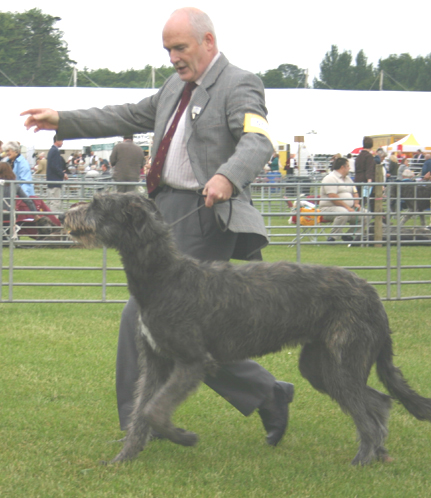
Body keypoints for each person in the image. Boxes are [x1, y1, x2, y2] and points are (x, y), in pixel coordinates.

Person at [22, 7, 293, 446]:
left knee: (146, 318)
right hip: (162, 210)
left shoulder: (240, 83)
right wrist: (64, 120)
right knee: (180, 329)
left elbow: (257, 138)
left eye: (180, 48)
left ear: (208, 41)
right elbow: (127, 114)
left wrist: (227, 175)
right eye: (168, 50)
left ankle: (140, 424)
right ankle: (268, 393)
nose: (172, 58)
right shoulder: (174, 86)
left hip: (204, 215)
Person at [319, 157, 361, 241]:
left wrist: (356, 203)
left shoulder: (348, 179)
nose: (349, 168)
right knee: (343, 213)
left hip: (349, 208)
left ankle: (349, 235)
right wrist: (348, 208)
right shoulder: (330, 178)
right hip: (329, 208)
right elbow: (333, 196)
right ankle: (333, 237)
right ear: (342, 167)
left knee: (366, 215)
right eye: (348, 166)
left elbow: (355, 191)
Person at [46, 136, 68, 212]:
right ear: (57, 141)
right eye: (61, 140)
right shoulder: (55, 151)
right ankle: (54, 221)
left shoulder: (52, 150)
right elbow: (55, 166)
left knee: (51, 201)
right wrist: (62, 174)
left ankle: (50, 219)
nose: (62, 142)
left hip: (51, 180)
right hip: (55, 180)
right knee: (55, 202)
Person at [354, 136, 375, 211]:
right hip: (365, 181)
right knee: (363, 202)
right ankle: (360, 219)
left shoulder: (359, 156)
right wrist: (369, 181)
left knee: (357, 201)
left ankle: (356, 219)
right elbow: (369, 169)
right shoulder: (369, 156)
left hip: (357, 180)